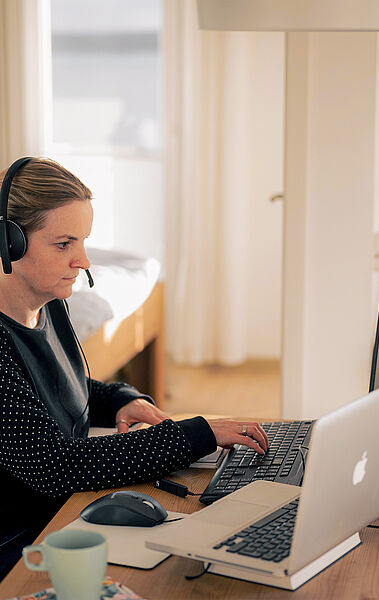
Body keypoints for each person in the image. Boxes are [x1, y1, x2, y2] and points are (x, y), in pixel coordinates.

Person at [0, 157, 268, 579]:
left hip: (63, 512)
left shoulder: (49, 306)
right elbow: (56, 466)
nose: (83, 261)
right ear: (8, 242)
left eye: (83, 242)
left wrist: (121, 400)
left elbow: (54, 388)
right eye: (64, 244)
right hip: (19, 545)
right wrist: (193, 434)